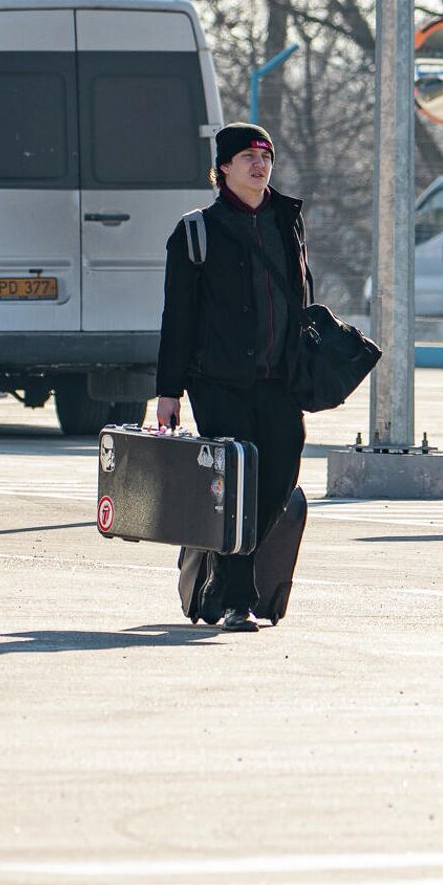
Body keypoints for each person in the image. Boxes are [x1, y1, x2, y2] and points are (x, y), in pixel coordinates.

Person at [154, 123, 309, 634]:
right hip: (217, 380)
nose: (260, 165)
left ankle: (217, 563)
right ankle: (237, 600)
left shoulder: (287, 221)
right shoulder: (197, 231)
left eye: (266, 156)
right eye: (247, 157)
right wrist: (168, 391)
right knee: (238, 483)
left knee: (281, 471)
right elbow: (177, 316)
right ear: (223, 168)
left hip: (278, 378)